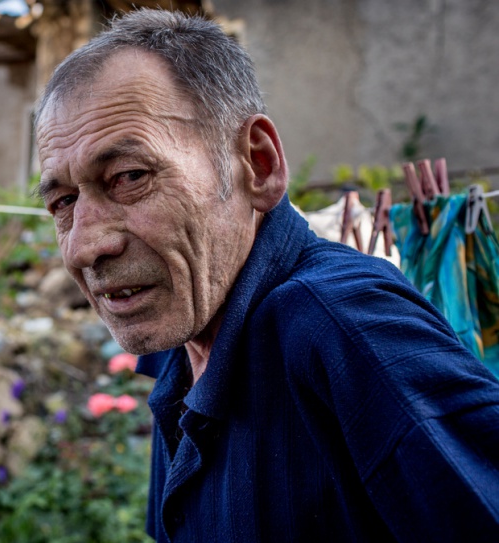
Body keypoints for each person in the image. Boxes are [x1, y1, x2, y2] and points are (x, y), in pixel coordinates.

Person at [34, 9, 499, 542]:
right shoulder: (182, 345)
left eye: (129, 177)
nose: (86, 246)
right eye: (64, 203)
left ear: (256, 164)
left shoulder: (345, 325)